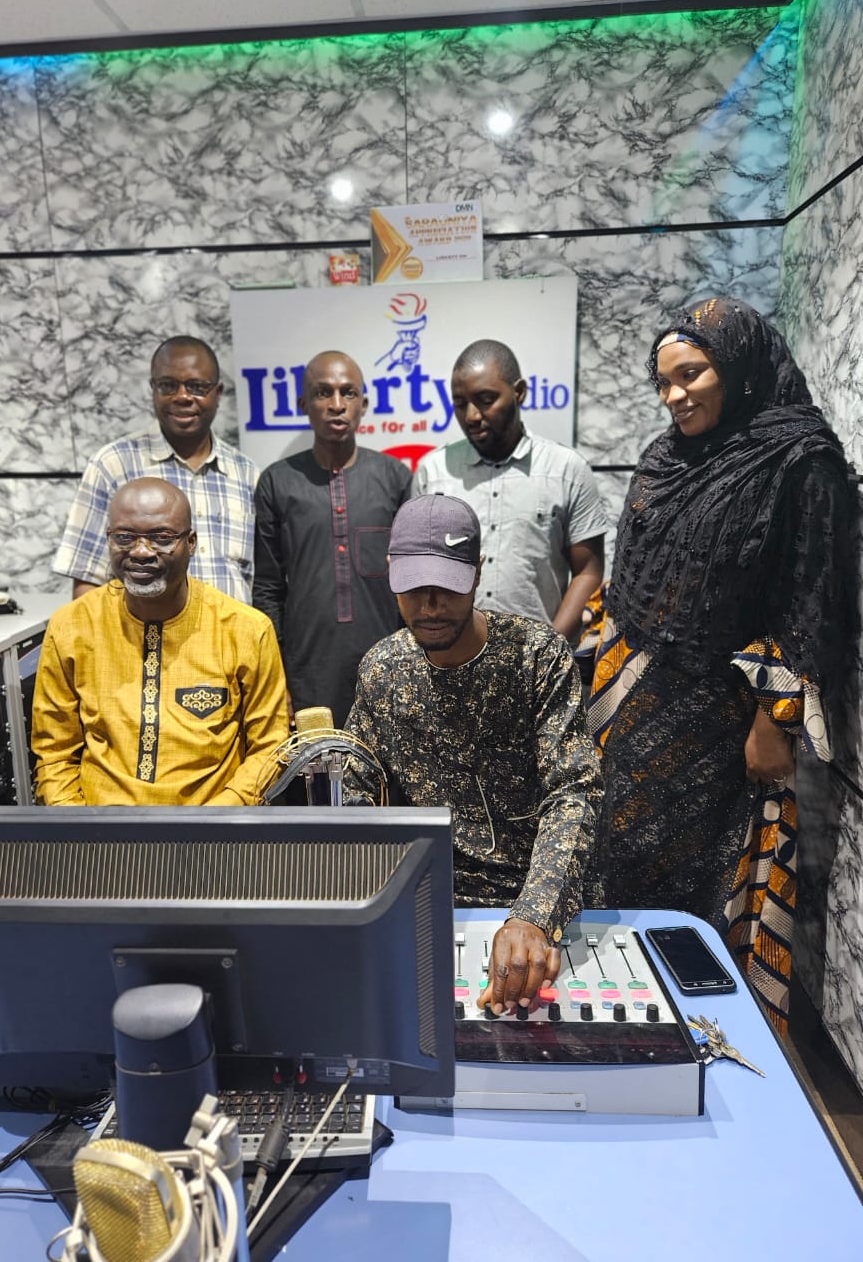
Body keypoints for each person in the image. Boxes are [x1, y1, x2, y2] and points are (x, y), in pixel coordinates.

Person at [580, 297, 855, 1030]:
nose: (674, 396)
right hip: (637, 712)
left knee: (709, 890)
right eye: (663, 382)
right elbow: (632, 585)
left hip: (724, 729)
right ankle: (629, 1026)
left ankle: (707, 1040)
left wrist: (774, 723)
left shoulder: (800, 464)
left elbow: (810, 602)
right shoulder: (666, 456)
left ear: (738, 369)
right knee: (623, 871)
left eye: (691, 374)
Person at [344, 493, 603, 1014]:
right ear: (391, 572)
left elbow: (575, 792)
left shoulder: (536, 657)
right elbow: (355, 792)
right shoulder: (383, 670)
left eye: (448, 586)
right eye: (414, 587)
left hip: (537, 899)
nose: (430, 605)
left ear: (478, 572)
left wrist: (534, 915)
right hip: (427, 902)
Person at [33, 478, 289, 806]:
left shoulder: (246, 630)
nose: (141, 552)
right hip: (101, 826)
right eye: (124, 537)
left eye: (162, 538)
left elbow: (269, 747)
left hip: (213, 823)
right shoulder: (72, 627)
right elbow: (54, 752)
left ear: (191, 543)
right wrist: (79, 824)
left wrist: (216, 820)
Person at [253, 350, 412, 727]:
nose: (337, 405)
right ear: (303, 405)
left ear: (364, 404)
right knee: (317, 766)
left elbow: (411, 582)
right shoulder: (278, 482)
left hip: (388, 670)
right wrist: (276, 677)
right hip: (306, 676)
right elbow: (268, 588)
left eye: (348, 393)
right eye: (323, 393)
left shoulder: (394, 477)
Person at [412, 338, 606, 640]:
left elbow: (588, 570)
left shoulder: (567, 469)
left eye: (485, 400)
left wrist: (549, 648)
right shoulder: (433, 472)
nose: (471, 416)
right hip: (451, 656)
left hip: (536, 657)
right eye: (460, 404)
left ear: (519, 392)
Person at [53, 336, 258, 603]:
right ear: (153, 389)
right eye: (168, 385)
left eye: (196, 386)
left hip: (232, 630)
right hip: (141, 631)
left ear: (217, 393)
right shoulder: (113, 465)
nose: (182, 397)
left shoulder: (247, 474)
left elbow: (261, 581)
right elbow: (88, 581)